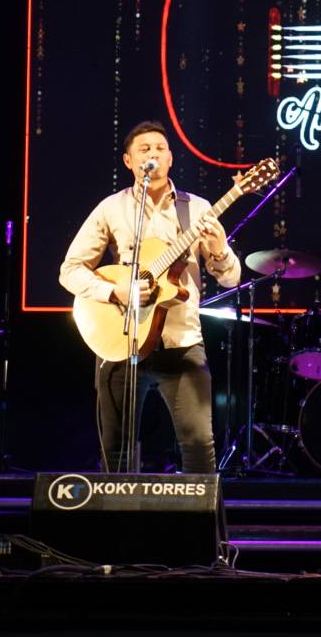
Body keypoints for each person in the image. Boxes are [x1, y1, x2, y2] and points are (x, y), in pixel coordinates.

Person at [60, 119, 240, 473]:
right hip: (122, 341)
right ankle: (118, 511)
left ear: (171, 158)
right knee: (116, 449)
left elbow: (231, 278)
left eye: (160, 148)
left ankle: (201, 512)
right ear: (129, 161)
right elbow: (70, 270)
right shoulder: (111, 208)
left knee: (199, 445)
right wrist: (115, 290)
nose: (153, 155)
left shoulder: (197, 208)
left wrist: (220, 250)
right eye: (144, 150)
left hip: (181, 342)